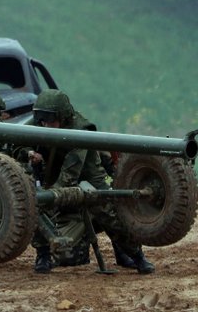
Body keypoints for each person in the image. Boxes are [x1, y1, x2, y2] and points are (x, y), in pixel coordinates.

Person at [28, 89, 154, 275]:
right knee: (37, 208)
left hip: (88, 177)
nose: (46, 125)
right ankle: (43, 255)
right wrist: (29, 153)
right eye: (42, 121)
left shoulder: (81, 130)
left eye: (51, 120)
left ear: (63, 117)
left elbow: (71, 170)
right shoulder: (40, 122)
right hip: (54, 176)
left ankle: (136, 256)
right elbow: (19, 144)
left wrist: (52, 194)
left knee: (109, 214)